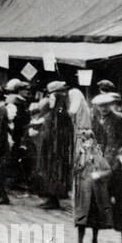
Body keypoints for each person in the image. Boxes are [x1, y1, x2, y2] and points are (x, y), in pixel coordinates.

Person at [71, 138, 113, 243]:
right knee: (81, 221)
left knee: (95, 220)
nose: (87, 144)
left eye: (89, 142)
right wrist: (81, 158)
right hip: (83, 194)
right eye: (84, 142)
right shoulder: (80, 155)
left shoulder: (98, 156)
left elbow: (108, 171)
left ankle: (94, 241)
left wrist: (99, 174)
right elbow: (74, 170)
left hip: (96, 194)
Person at [37, 81, 74, 210]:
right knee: (50, 169)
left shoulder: (60, 106)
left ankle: (54, 198)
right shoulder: (56, 107)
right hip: (53, 143)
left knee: (54, 169)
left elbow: (60, 121)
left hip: (56, 144)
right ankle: (51, 197)